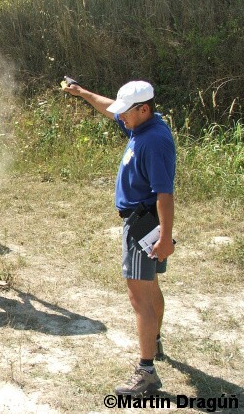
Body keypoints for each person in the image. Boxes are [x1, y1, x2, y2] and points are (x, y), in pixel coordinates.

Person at [63, 80, 176, 396]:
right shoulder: (140, 127)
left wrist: (165, 237)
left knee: (139, 297)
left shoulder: (153, 141)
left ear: (143, 109)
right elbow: (107, 107)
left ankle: (147, 372)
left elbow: (165, 194)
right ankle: (154, 342)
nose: (119, 117)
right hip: (144, 221)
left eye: (125, 112)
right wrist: (82, 93)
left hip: (143, 224)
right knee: (150, 288)